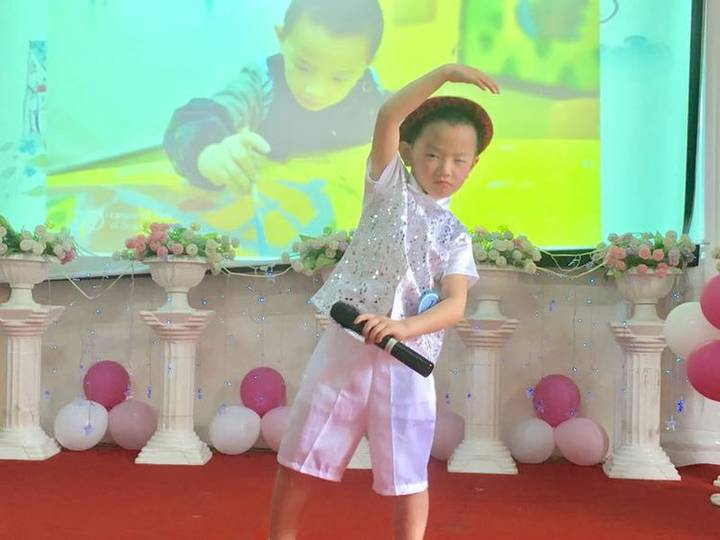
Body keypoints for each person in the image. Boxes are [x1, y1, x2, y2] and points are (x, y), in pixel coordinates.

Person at [269, 64, 500, 540]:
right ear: (409, 153)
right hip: (347, 348)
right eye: (433, 155)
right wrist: (446, 72)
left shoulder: (456, 236)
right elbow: (389, 115)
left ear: (473, 165)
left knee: (409, 475)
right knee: (302, 456)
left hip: (406, 360)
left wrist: (404, 328)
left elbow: (454, 304)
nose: (445, 169)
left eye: (459, 160)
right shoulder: (387, 188)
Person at [163, 0, 387, 193]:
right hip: (269, 203)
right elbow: (192, 121)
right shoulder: (261, 85)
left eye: (339, 78)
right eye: (303, 67)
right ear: (282, 38)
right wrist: (209, 153)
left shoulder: (370, 92)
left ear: (366, 64)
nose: (315, 90)